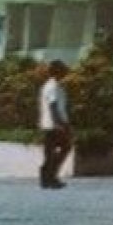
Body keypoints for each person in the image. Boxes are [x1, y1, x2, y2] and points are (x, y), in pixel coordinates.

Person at [38, 60, 72, 190]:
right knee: (61, 149)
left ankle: (48, 177)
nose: (66, 72)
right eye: (63, 70)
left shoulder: (58, 86)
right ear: (58, 71)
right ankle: (49, 177)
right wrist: (59, 123)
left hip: (58, 122)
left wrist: (65, 123)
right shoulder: (51, 86)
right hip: (52, 124)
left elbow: (61, 107)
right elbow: (53, 106)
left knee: (55, 151)